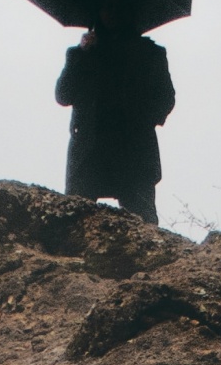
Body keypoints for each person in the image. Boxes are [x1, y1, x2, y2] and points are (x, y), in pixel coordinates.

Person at [55, 12, 175, 224]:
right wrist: (82, 54)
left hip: (134, 149)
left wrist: (143, 119)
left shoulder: (149, 53)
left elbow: (165, 98)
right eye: (107, 5)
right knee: (72, 221)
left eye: (119, 5)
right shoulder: (81, 53)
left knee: (144, 223)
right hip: (89, 148)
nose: (112, 11)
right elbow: (63, 95)